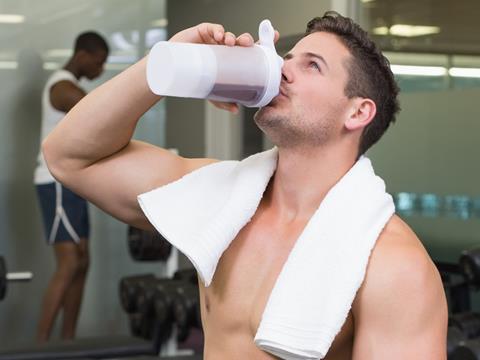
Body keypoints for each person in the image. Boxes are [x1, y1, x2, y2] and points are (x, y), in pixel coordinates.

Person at [42, 12, 448, 358]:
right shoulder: (219, 199)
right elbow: (69, 156)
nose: (282, 68)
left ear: (358, 111)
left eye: (312, 65)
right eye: (285, 58)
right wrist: (164, 64)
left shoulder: (394, 267)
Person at [34, 31, 109, 342]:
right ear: (82, 56)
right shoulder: (62, 87)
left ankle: (68, 343)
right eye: (99, 62)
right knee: (69, 262)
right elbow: (98, 112)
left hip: (72, 183)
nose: (101, 70)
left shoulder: (69, 84)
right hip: (54, 182)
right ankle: (39, 347)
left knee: (83, 260)